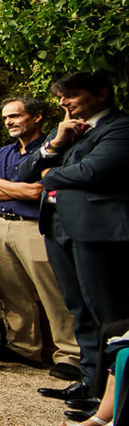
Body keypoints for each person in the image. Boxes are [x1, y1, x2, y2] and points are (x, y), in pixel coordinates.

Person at [18, 71, 129, 406]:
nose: (64, 103)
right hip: (58, 226)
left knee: (106, 312)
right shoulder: (65, 130)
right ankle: (89, 382)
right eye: (61, 97)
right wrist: (54, 144)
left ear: (102, 95)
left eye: (72, 95)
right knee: (78, 308)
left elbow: (92, 172)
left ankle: (113, 396)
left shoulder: (120, 127)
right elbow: (23, 172)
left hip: (97, 230)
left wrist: (50, 173)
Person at [0, 96, 80, 374]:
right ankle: (25, 348)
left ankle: (70, 355)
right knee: (12, 291)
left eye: (15, 116)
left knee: (53, 291)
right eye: (6, 117)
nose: (9, 122)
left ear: (36, 117)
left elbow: (38, 192)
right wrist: (14, 187)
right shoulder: (2, 153)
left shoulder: (57, 148)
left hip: (35, 226)